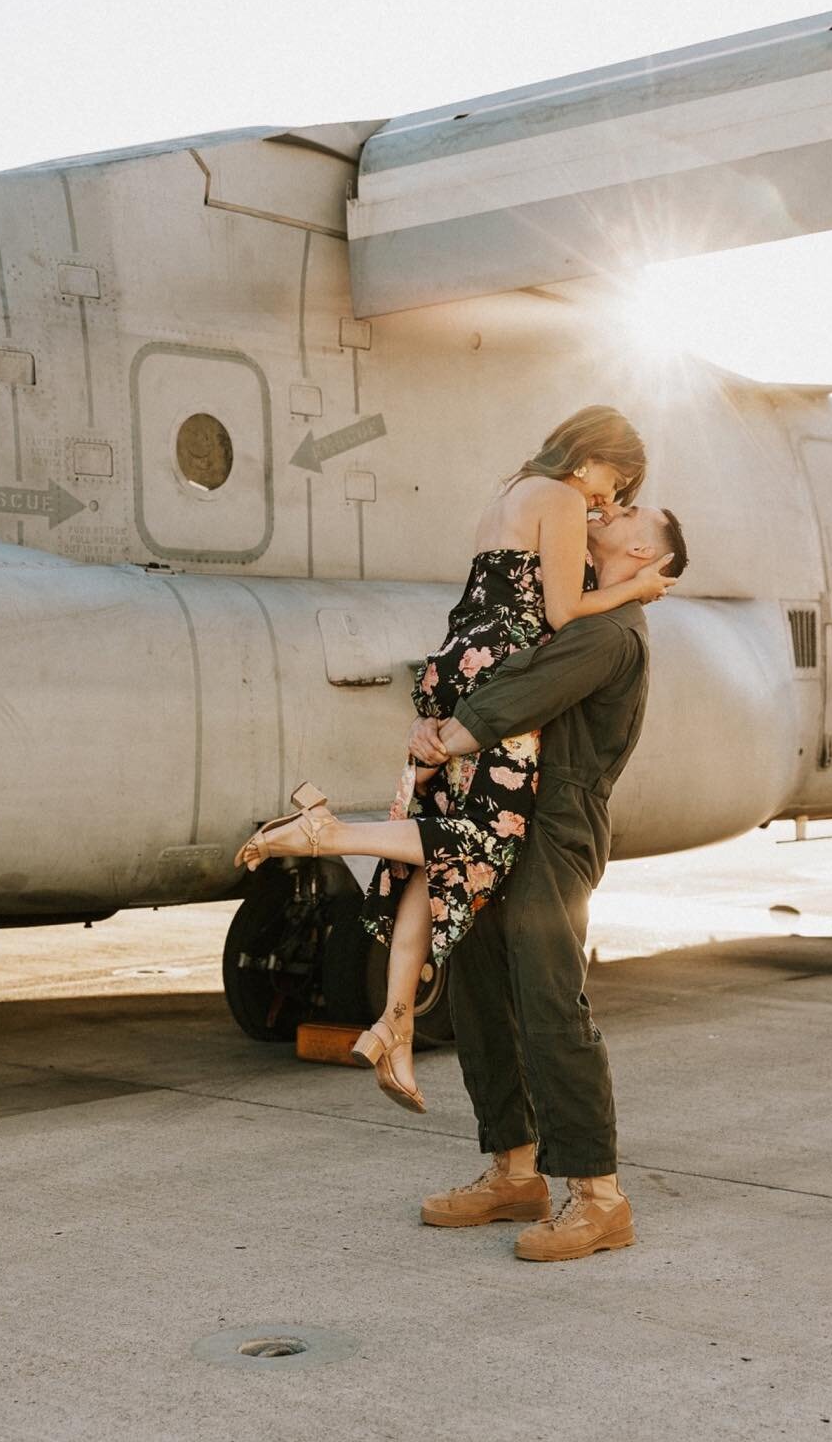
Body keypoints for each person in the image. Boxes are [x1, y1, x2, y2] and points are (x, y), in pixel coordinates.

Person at [233, 407, 675, 1115]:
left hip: (456, 662)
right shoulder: (560, 497)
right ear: (592, 457)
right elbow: (561, 613)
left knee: (432, 859)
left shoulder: (510, 493)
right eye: (612, 483)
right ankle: (327, 833)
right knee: (485, 839)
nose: (605, 501)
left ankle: (394, 1025)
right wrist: (636, 589)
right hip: (499, 676)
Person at [409, 498, 688, 1261]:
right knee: (481, 986)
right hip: (506, 811)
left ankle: (599, 1197)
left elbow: (518, 697)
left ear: (646, 556)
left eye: (637, 513)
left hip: (557, 823)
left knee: (548, 999)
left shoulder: (608, 633)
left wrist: (447, 738)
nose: (614, 507)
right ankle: (515, 1172)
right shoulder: (571, 612)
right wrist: (433, 721)